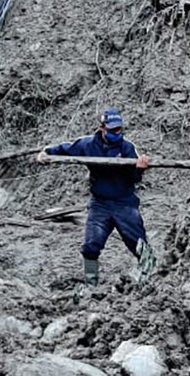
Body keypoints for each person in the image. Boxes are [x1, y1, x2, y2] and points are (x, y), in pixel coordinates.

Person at [36, 108, 155, 286]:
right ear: (102, 128)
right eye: (113, 130)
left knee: (138, 243)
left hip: (124, 203)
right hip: (100, 204)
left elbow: (134, 179)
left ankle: (151, 272)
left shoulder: (127, 148)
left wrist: (139, 168)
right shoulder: (88, 145)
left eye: (119, 129)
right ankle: (91, 284)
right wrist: (46, 153)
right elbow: (65, 149)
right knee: (91, 246)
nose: (118, 133)